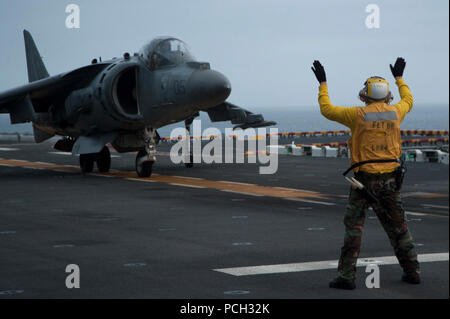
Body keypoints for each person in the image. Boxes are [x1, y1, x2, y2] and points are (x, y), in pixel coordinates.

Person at [311, 58, 420, 290]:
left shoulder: (357, 115)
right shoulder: (396, 112)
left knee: (354, 228)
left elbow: (327, 109)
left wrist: (322, 83)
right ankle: (412, 271)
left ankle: (347, 276)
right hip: (391, 181)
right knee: (399, 227)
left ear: (366, 95)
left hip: (364, 183)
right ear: (387, 95)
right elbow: (408, 100)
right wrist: (400, 78)